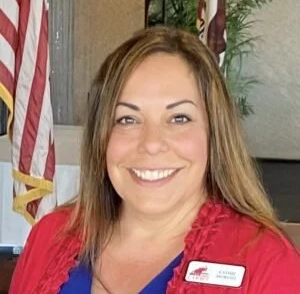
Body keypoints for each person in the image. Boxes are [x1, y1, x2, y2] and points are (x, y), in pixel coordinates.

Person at [10, 26, 300, 294]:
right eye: (127, 119)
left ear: (214, 134)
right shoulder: (50, 236)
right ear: (101, 137)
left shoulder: (267, 262)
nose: (151, 143)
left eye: (179, 118)